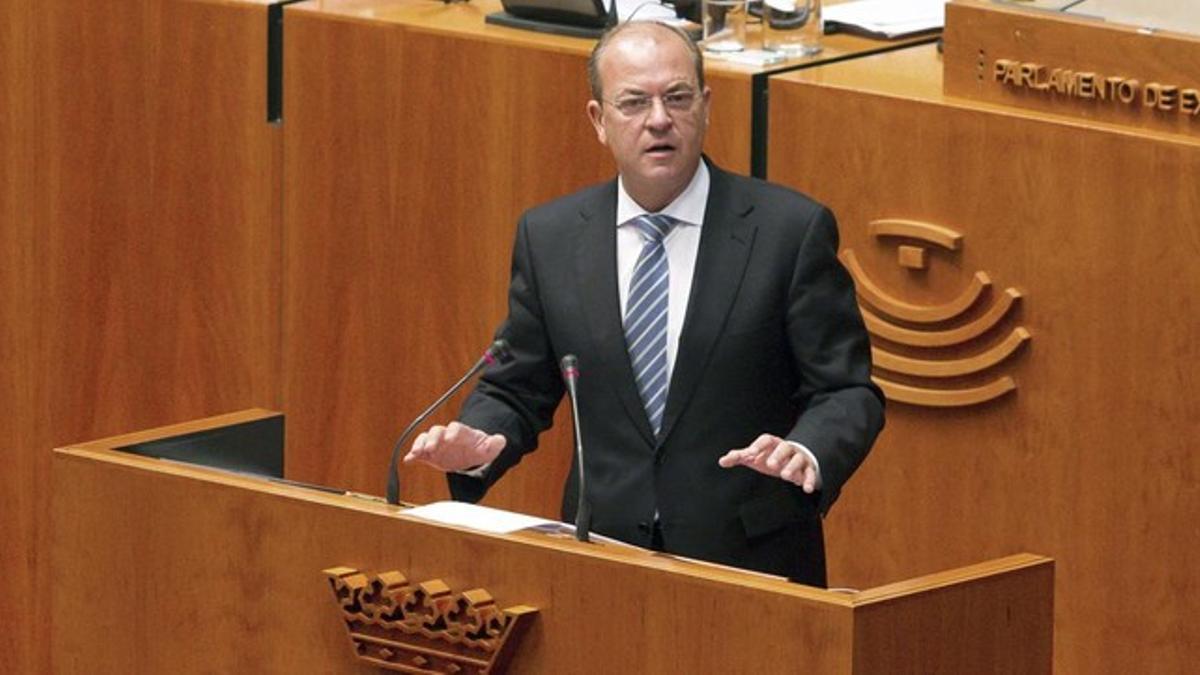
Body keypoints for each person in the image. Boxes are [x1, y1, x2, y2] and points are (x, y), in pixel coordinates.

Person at [405, 21, 884, 586]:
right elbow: (517, 385)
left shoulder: (788, 232)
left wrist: (809, 448)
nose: (659, 119)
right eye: (634, 103)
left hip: (751, 561)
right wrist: (480, 441)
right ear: (599, 121)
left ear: (705, 106)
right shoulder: (553, 237)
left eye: (677, 98)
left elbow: (847, 390)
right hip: (601, 556)